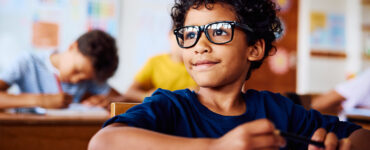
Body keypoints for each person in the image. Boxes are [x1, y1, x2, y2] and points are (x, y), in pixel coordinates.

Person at [89, 1, 370, 150]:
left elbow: (362, 137)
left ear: (255, 49)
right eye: (189, 34)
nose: (199, 45)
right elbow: (102, 143)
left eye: (219, 31)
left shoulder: (280, 111)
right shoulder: (171, 107)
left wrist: (344, 146)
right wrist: (215, 147)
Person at [0, 30, 120, 109]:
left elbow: (122, 99)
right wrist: (41, 100)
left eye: (85, 78)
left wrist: (108, 101)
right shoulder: (27, 62)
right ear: (72, 47)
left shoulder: (91, 74)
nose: (76, 80)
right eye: (77, 70)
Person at [124, 30, 197, 102]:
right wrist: (148, 96)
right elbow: (130, 93)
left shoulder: (199, 65)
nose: (183, 45)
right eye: (180, 39)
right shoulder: (155, 62)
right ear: (170, 35)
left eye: (190, 37)